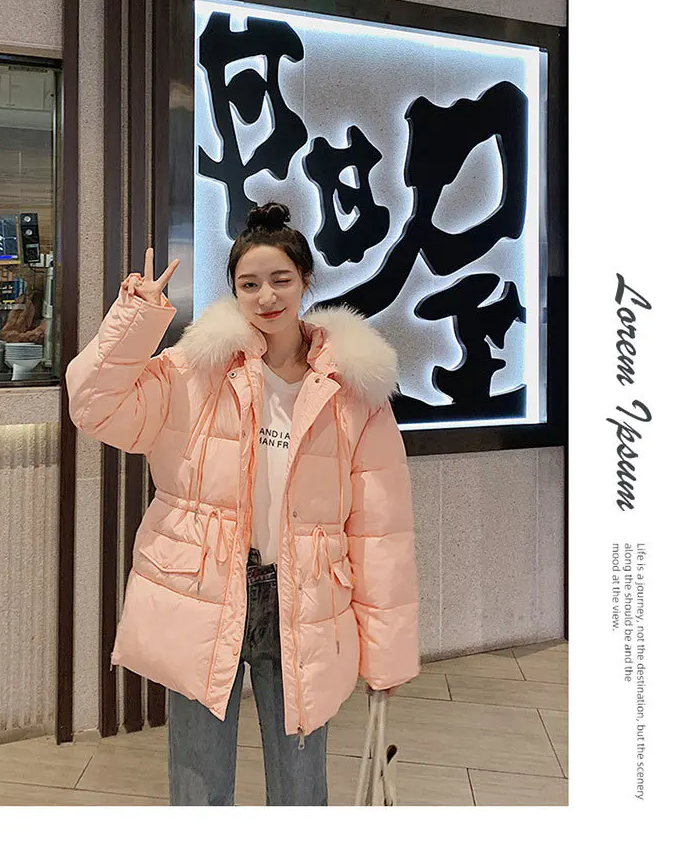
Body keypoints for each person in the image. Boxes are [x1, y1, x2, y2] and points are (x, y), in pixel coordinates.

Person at [65, 201, 420, 806]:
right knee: (198, 784)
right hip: (205, 590)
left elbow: (381, 530)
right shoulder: (196, 370)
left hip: (305, 596)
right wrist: (136, 316)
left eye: (281, 279)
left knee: (301, 788)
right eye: (249, 283)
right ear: (233, 290)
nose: (266, 296)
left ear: (306, 281)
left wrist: (386, 656)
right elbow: (94, 406)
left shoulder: (352, 391)